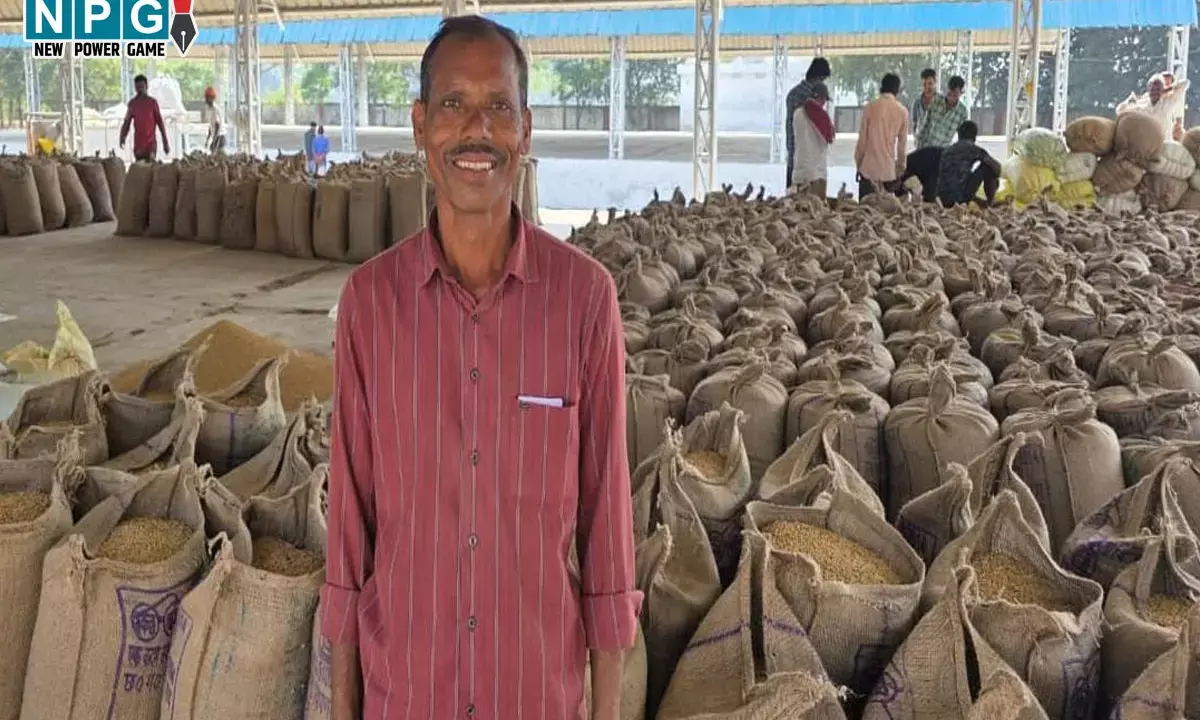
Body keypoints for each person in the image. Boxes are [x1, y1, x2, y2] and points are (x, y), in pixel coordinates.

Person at [322, 14, 640, 720]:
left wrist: (608, 708)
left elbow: (607, 524)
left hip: (534, 694)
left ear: (526, 129)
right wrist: (343, 705)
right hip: (405, 693)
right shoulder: (369, 302)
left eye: (498, 106)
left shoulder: (584, 300)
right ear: (420, 125)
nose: (477, 129)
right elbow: (348, 523)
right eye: (453, 104)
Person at [855, 73, 909, 198]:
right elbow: (902, 147)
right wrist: (899, 171)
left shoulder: (870, 107)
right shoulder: (902, 112)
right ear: (897, 90)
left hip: (868, 170)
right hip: (888, 173)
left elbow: (862, 141)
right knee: (885, 210)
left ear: (882, 87)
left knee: (865, 209)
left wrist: (859, 165)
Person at [785, 57, 832, 188]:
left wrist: (791, 155)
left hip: (794, 160)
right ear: (819, 77)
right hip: (812, 170)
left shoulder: (792, 94)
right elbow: (825, 138)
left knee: (791, 197)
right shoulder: (813, 106)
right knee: (812, 199)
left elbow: (790, 130)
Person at [935, 120, 1002, 207]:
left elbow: (955, 183)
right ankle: (990, 202)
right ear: (974, 137)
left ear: (959, 135)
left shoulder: (947, 151)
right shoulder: (974, 149)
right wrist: (995, 182)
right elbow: (998, 169)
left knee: (960, 176)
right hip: (960, 199)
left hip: (941, 199)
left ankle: (981, 202)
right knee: (989, 167)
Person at [791, 82, 835, 197]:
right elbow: (830, 137)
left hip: (800, 171)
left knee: (800, 206)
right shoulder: (823, 117)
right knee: (816, 206)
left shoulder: (797, 113)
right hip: (816, 174)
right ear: (822, 99)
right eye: (824, 100)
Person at [1118, 73, 1189, 141]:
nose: (1155, 92)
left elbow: (1185, 83)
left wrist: (1168, 89)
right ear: (1148, 90)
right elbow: (1120, 110)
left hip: (1164, 144)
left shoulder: (1168, 102)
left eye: (1158, 89)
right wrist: (1129, 100)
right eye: (1152, 89)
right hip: (1147, 144)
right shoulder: (1141, 106)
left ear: (1163, 89)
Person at [119, 74, 170, 161]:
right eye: (137, 87)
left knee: (151, 166)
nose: (140, 89)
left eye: (142, 87)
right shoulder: (132, 104)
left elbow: (160, 123)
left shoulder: (153, 103)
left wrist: (165, 142)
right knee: (140, 168)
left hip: (151, 145)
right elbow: (126, 122)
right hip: (138, 146)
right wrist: (122, 137)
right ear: (135, 88)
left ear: (146, 86)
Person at [916, 75, 968, 149]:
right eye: (949, 94)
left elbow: (962, 138)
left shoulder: (962, 112)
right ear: (947, 89)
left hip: (943, 151)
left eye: (955, 95)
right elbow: (925, 123)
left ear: (961, 93)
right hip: (925, 147)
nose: (951, 98)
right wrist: (919, 143)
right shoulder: (936, 100)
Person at [910, 68, 937, 135]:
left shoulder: (942, 102)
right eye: (924, 84)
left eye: (930, 83)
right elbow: (914, 124)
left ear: (935, 82)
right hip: (921, 140)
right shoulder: (917, 102)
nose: (927, 87)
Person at [201, 87, 226, 154]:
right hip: (215, 136)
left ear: (213, 98)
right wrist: (208, 139)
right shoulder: (208, 109)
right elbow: (211, 126)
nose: (206, 99)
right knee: (213, 153)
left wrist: (214, 140)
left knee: (216, 155)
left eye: (208, 97)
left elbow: (217, 125)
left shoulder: (215, 109)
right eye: (206, 97)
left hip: (220, 136)